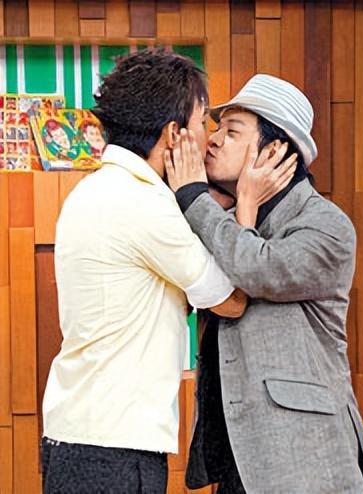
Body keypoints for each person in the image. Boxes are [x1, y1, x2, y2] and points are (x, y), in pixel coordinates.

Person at [41, 49, 247, 494]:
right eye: (204, 123)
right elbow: (230, 300)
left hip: (77, 438)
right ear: (174, 134)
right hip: (113, 451)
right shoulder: (145, 204)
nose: (209, 137)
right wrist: (235, 202)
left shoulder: (96, 189)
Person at [166, 74, 363, 493]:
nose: (213, 140)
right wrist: (232, 206)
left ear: (274, 151)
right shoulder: (225, 223)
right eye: (216, 129)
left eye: (232, 131)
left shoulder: (326, 225)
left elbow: (258, 270)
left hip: (304, 455)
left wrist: (194, 197)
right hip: (238, 455)